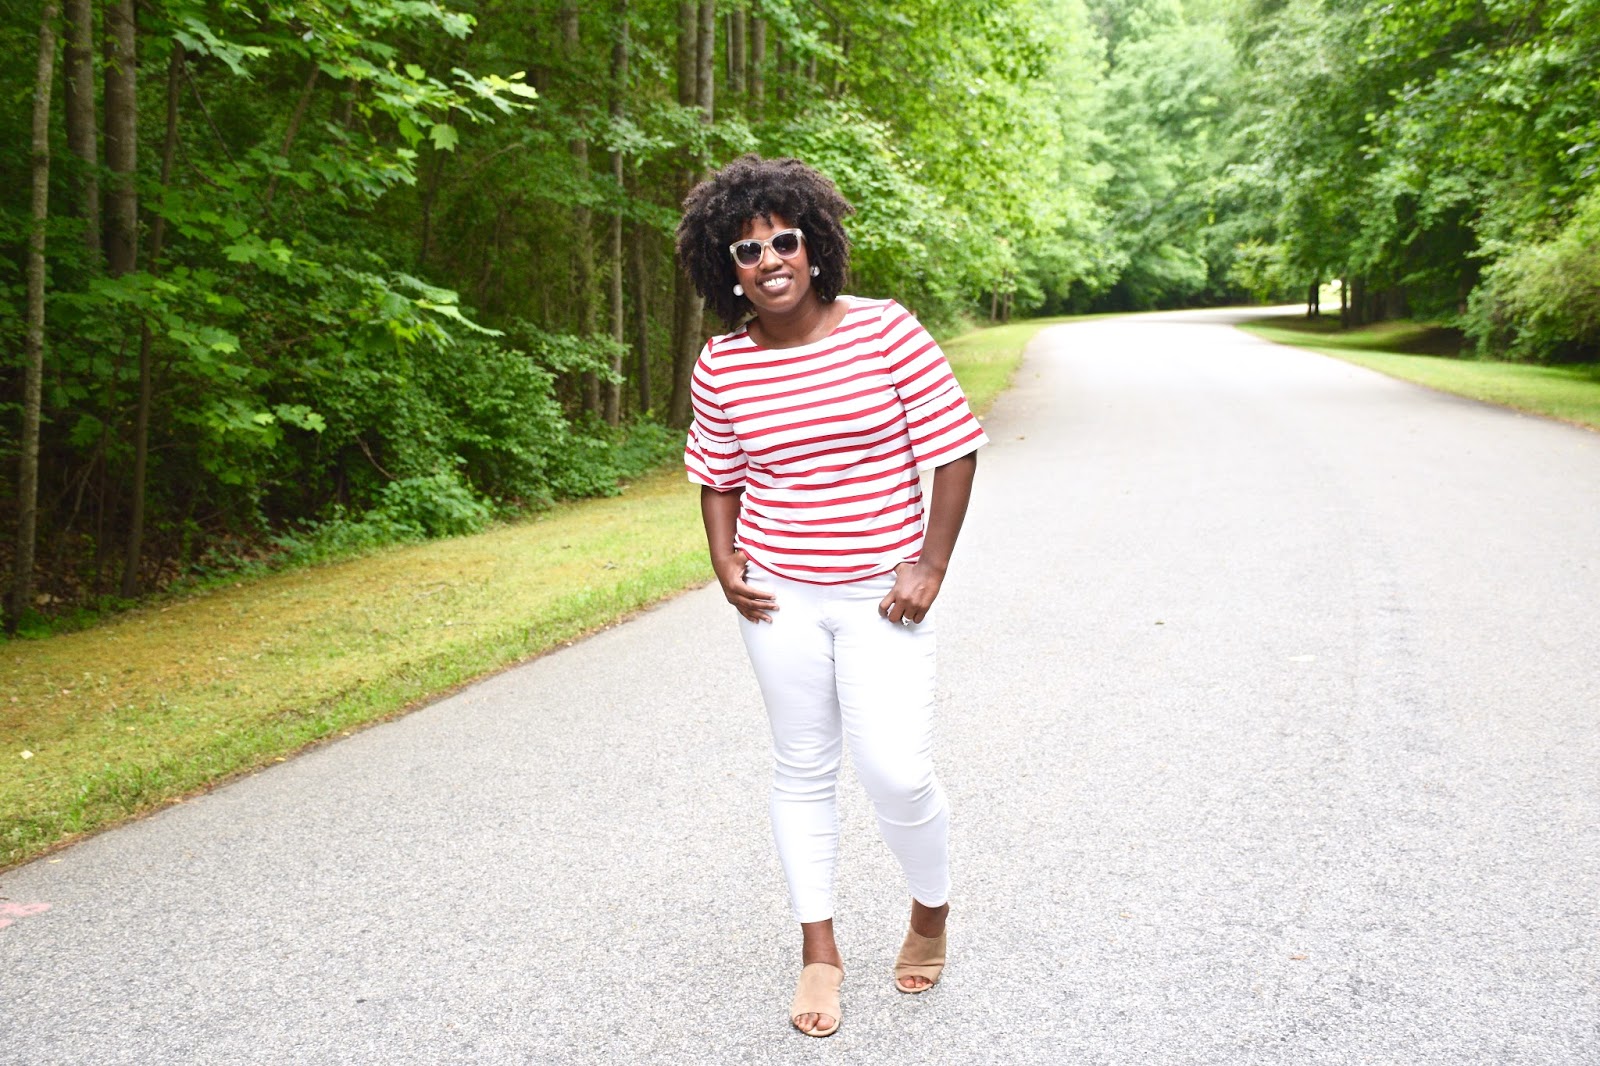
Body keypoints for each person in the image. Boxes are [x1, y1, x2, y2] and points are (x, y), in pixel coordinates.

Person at [677, 155, 987, 1038]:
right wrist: (723, 560)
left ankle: (930, 907)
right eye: (746, 250)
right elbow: (718, 472)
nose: (768, 260)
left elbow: (954, 446)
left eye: (783, 240)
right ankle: (820, 952)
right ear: (727, 267)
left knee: (896, 771)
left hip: (882, 597)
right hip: (780, 599)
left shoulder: (886, 331)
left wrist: (929, 566)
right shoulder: (722, 365)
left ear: (814, 246)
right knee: (803, 767)